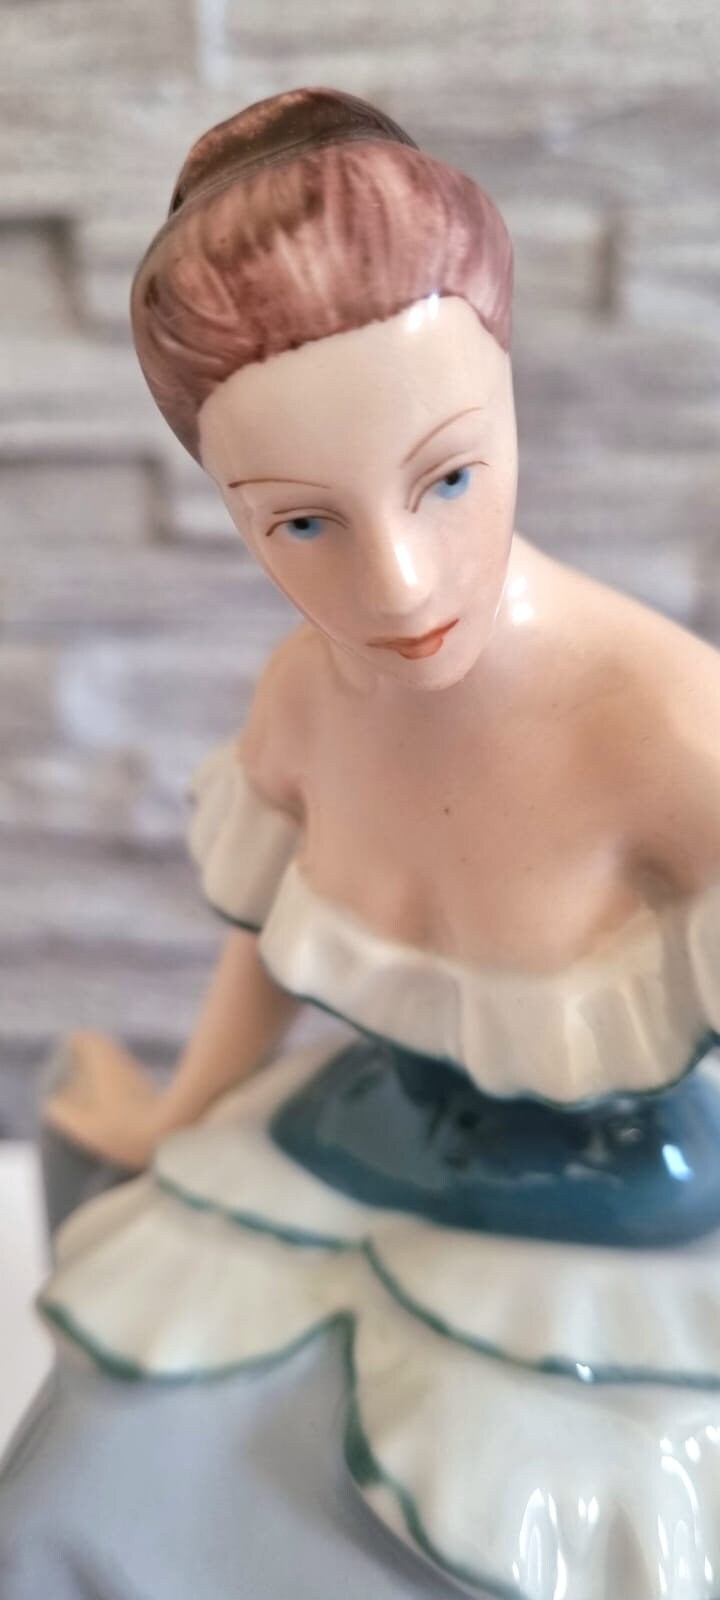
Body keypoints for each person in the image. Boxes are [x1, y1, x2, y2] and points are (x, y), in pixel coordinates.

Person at [2, 86, 720, 1600]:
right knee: (101, 1459)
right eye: (303, 525)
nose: (398, 587)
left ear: (510, 399)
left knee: (496, 1520)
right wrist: (184, 1109)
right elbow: (267, 947)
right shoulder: (301, 703)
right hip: (364, 1140)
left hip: (619, 1230)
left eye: (447, 477)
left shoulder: (667, 725)